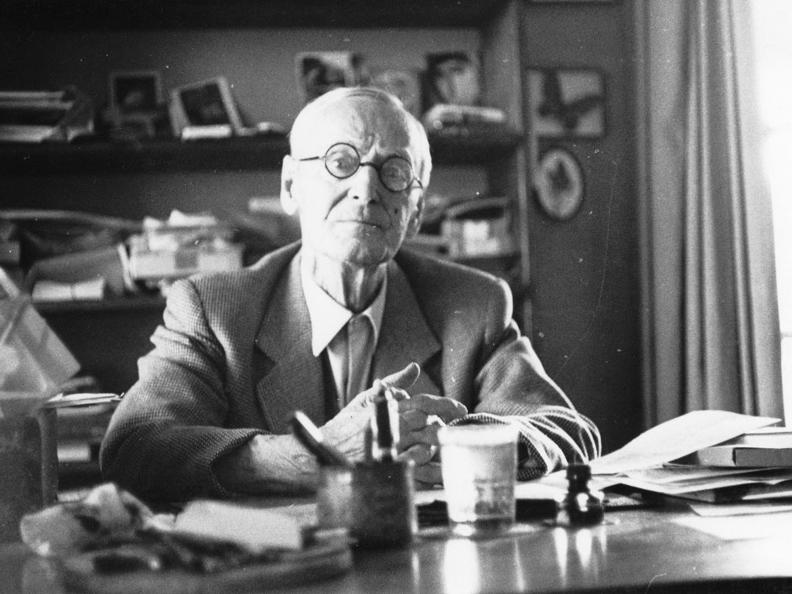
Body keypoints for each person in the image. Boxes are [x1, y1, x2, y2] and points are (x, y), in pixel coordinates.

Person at [100, 86, 599, 502]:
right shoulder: (213, 309)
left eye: (394, 172)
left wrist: (448, 444)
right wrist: (312, 458)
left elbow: (568, 430)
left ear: (416, 211)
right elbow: (134, 448)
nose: (366, 190)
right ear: (290, 186)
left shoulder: (473, 304)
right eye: (341, 161)